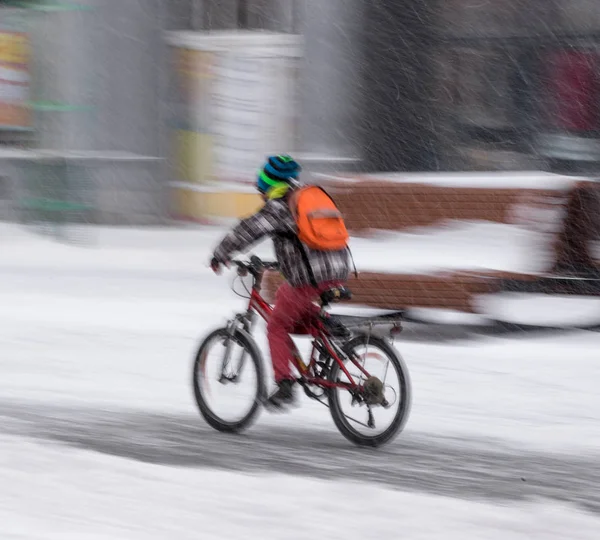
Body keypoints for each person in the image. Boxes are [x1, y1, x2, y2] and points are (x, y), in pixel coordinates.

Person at [210, 155, 350, 410]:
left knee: (276, 325)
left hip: (311, 277)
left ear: (268, 183)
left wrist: (221, 254)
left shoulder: (279, 206)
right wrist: (281, 264)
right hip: (338, 268)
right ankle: (328, 326)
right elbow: (303, 242)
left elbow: (246, 231)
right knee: (293, 302)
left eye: (262, 181)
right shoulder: (304, 199)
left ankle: (285, 384)